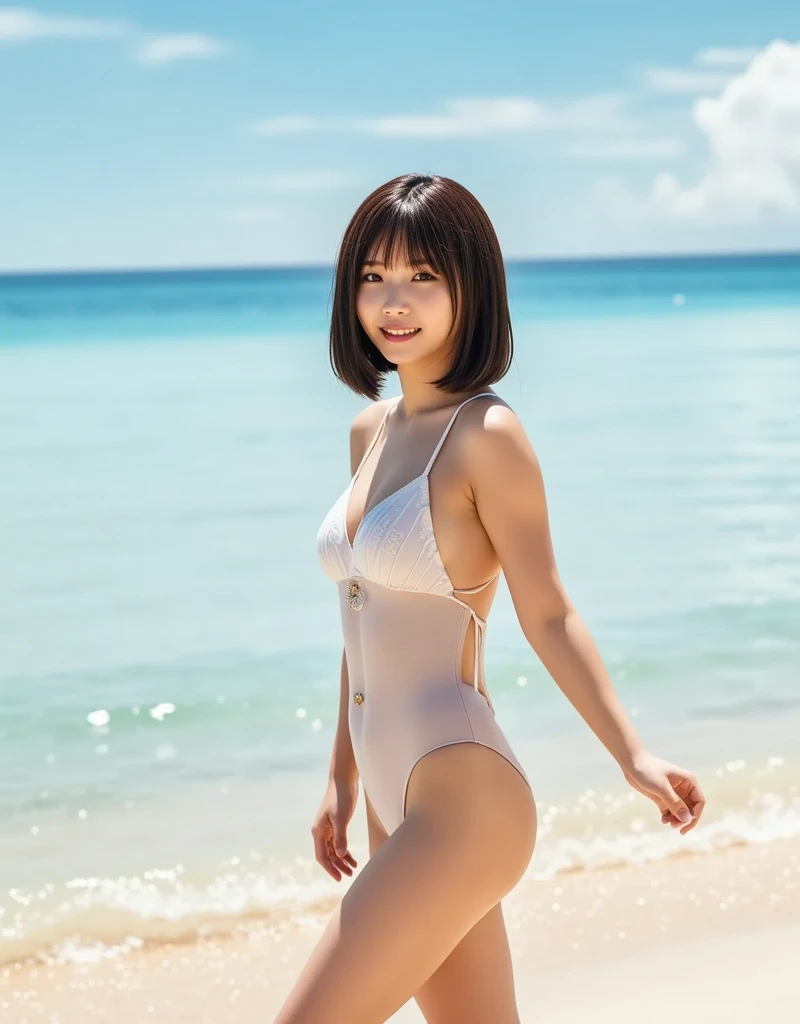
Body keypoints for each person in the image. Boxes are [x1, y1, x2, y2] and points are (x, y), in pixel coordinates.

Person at [274, 173, 706, 1024]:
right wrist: (339, 779)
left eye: (422, 277)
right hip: (393, 804)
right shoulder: (371, 430)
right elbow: (361, 617)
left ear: (471, 285)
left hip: (464, 799)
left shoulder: (488, 436)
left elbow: (549, 611)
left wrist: (631, 755)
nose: (393, 303)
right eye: (372, 277)